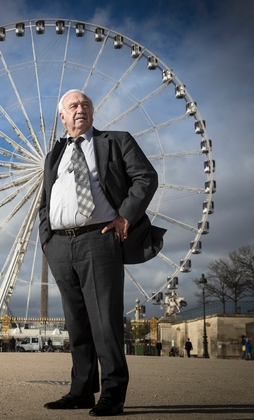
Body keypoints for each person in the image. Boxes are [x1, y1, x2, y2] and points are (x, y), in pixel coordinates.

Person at [39, 89, 161, 417]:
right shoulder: (54, 155)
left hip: (99, 238)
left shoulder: (116, 141)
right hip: (61, 245)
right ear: (62, 116)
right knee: (77, 324)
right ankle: (81, 391)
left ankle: (113, 392)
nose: (81, 109)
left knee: (104, 320)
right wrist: (46, 240)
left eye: (86, 105)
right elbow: (45, 202)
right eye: (73, 106)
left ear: (92, 112)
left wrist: (125, 216)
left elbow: (146, 177)